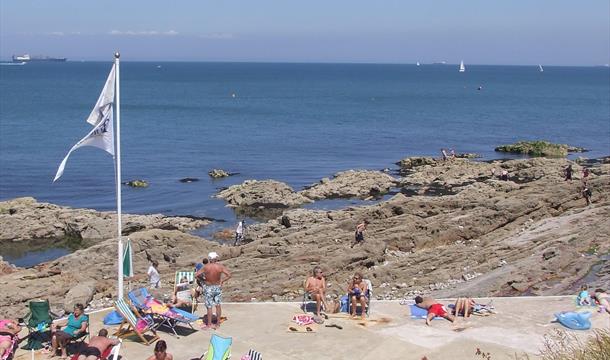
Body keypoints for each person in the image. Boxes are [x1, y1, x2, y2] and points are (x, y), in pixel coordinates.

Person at [202, 252, 232, 329]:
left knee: (209, 307)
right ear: (215, 258)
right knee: (218, 305)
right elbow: (229, 275)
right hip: (217, 287)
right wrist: (222, 281)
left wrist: (203, 280)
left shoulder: (206, 267)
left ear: (209, 259)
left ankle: (209, 324)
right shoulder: (220, 267)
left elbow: (196, 275)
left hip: (208, 288)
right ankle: (218, 324)